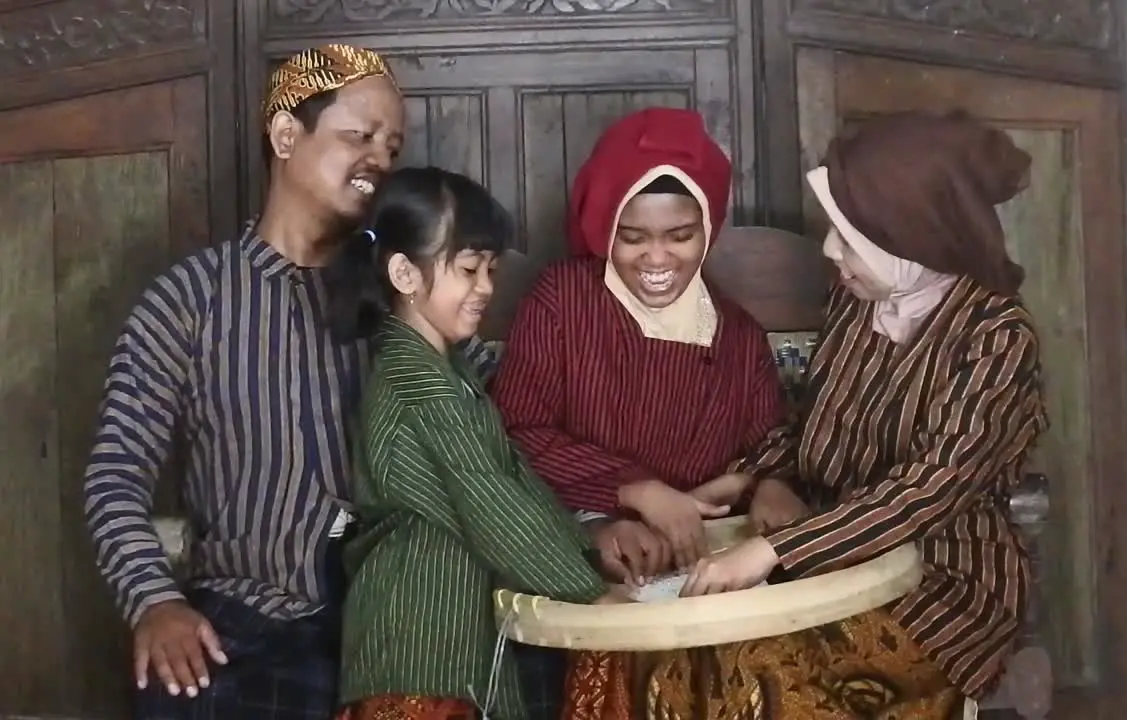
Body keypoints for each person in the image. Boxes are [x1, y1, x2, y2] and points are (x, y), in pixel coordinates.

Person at [633, 111, 1047, 718]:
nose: (830, 251)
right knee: (680, 665)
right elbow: (813, 422)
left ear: (915, 237)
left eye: (849, 238)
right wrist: (754, 476)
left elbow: (925, 491)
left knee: (760, 677)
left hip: (939, 587)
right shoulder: (856, 303)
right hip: (829, 567)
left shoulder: (998, 339)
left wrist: (771, 553)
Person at [82, 45, 410, 720]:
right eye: (359, 136)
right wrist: (155, 599)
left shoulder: (397, 296)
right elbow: (115, 474)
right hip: (242, 620)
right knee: (176, 691)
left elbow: (500, 403)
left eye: (392, 145)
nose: (379, 158)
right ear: (287, 135)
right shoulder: (188, 300)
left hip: (385, 615)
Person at [487, 108, 787, 720]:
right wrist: (630, 498)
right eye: (632, 237)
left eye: (680, 236)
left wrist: (765, 482)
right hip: (579, 565)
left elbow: (771, 443)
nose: (658, 259)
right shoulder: (562, 300)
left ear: (708, 229)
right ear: (603, 228)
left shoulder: (738, 337)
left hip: (696, 589)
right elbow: (514, 433)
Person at [326, 166, 631, 720]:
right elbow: (491, 498)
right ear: (404, 274)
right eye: (468, 269)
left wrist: (586, 546)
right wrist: (588, 592)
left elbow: (514, 473)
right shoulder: (417, 380)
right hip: (414, 648)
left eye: (489, 269)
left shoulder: (448, 370)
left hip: (444, 646)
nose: (486, 287)